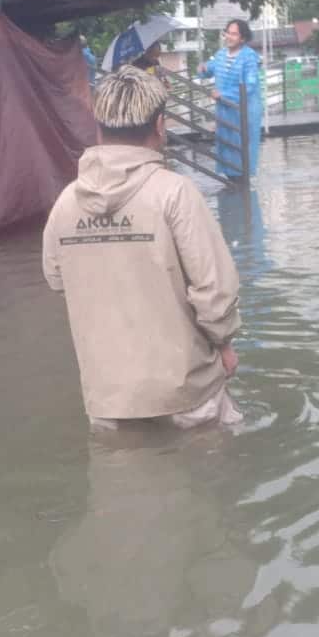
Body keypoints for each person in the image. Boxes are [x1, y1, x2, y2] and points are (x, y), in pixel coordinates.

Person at [42, 65, 242, 429]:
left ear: (99, 126)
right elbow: (214, 291)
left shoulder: (66, 203)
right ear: (160, 125)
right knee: (210, 477)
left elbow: (57, 279)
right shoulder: (175, 194)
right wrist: (225, 343)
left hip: (109, 400)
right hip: (187, 394)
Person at [198, 18, 263, 180]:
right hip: (225, 111)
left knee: (242, 150)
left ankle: (243, 186)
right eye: (228, 32)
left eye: (234, 34)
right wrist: (203, 68)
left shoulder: (249, 57)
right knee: (227, 147)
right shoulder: (221, 55)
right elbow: (210, 69)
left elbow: (250, 85)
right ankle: (232, 183)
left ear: (242, 38)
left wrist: (224, 95)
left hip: (244, 111)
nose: (229, 36)